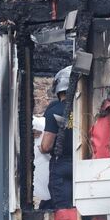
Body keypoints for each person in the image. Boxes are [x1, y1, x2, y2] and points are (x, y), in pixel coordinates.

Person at [39, 66, 74, 209]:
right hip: (82, 165)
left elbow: (47, 146)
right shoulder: (84, 109)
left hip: (61, 166)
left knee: (63, 212)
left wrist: (40, 148)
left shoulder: (54, 111)